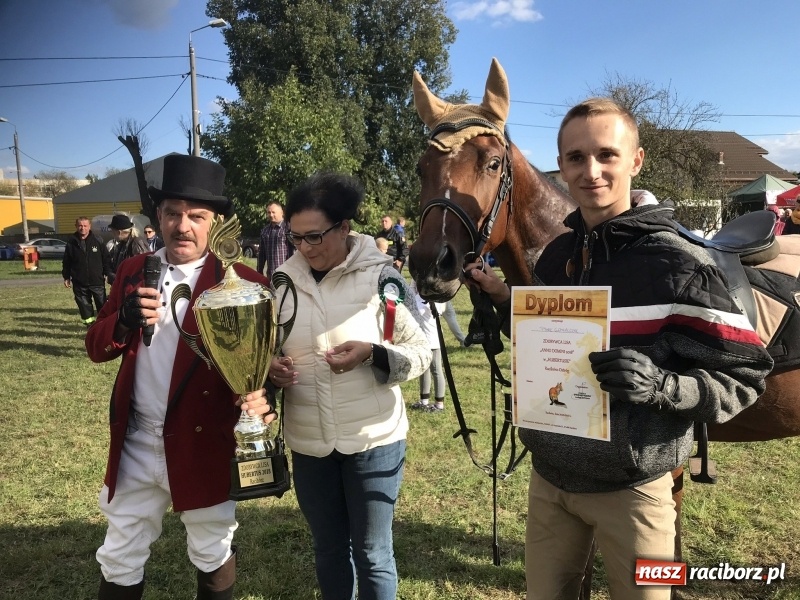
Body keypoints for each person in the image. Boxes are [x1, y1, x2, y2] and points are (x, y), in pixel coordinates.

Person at [467, 98, 773, 600]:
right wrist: (505, 301)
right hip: (550, 482)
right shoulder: (554, 258)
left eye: (607, 154)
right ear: (561, 166)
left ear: (636, 161)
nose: (592, 171)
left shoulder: (680, 265)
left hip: (634, 490)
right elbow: (542, 345)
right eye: (576, 157)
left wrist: (663, 387)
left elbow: (746, 376)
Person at [85, 155, 275, 600]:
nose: (182, 226)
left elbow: (261, 367)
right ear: (159, 217)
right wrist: (122, 322)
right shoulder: (134, 271)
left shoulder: (242, 281)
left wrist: (264, 394)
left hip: (203, 437)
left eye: (196, 216)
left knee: (212, 549)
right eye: (172, 213)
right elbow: (95, 346)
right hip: (137, 438)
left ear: (215, 223)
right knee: (119, 554)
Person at [268, 172, 431, 600]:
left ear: (344, 227)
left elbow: (421, 351)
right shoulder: (281, 284)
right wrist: (271, 369)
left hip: (373, 440)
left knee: (373, 552)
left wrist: (374, 354)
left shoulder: (382, 278)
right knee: (328, 547)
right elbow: (263, 352)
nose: (305, 248)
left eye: (316, 236)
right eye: (296, 237)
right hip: (309, 443)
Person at [62, 216, 112, 326]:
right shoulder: (71, 242)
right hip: (80, 283)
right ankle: (90, 327)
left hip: (97, 282)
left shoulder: (98, 240)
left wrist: (108, 273)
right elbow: (67, 261)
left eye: (85, 226)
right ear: (76, 226)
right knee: (85, 308)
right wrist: (66, 277)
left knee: (102, 307)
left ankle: (103, 326)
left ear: (90, 226)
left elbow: (106, 259)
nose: (82, 228)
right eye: (80, 225)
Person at [409, 281, 447, 413]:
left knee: (436, 369)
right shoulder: (418, 296)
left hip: (433, 339)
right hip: (422, 339)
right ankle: (424, 400)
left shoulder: (436, 300)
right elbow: (411, 289)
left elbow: (439, 311)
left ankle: (439, 404)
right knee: (423, 369)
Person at [107, 214, 150, 284]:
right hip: (124, 285)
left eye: (113, 231)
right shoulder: (122, 244)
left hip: (133, 287)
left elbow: (142, 267)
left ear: (119, 232)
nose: (112, 233)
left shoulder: (136, 243)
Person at [256, 200, 294, 278]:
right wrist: (259, 272)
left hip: (288, 274)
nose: (271, 215)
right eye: (269, 212)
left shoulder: (288, 228)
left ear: (282, 212)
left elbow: (297, 248)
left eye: (273, 212)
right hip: (271, 275)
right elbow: (261, 254)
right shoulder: (265, 231)